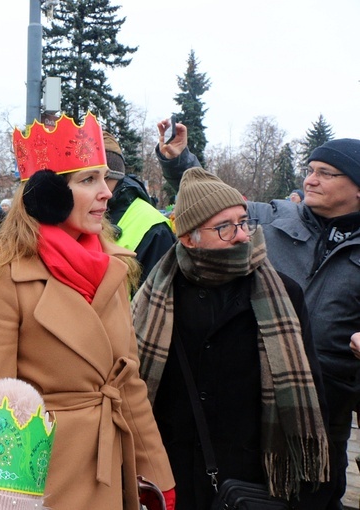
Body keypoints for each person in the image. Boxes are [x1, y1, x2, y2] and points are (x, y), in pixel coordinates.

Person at [0, 112, 175, 509]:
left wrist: (157, 475)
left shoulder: (114, 266)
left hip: (112, 474)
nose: (108, 192)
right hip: (43, 483)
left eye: (106, 178)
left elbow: (128, 385)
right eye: (88, 180)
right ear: (47, 194)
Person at [156, 123, 360, 509]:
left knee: (318, 489)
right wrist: (179, 161)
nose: (311, 180)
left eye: (325, 173)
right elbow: (208, 202)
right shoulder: (276, 217)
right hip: (255, 394)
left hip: (327, 399)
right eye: (310, 170)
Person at [133, 166, 329, 509]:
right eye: (224, 227)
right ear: (188, 238)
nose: (241, 235)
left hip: (251, 477)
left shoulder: (284, 293)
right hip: (172, 473)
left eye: (242, 222)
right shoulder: (156, 297)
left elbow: (312, 386)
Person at [102, 130, 175, 286]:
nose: (98, 191)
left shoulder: (155, 229)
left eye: (102, 178)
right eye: (86, 180)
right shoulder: (76, 216)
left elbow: (156, 301)